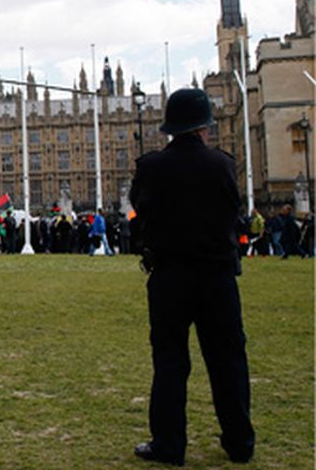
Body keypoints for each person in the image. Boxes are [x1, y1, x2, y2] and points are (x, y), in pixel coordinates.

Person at [129, 88, 254, 465]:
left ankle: (169, 444)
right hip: (218, 277)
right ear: (205, 127)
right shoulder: (223, 164)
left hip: (170, 277)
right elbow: (234, 211)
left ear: (170, 128)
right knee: (228, 360)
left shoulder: (151, 166)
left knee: (170, 361)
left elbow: (140, 211)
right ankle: (239, 442)